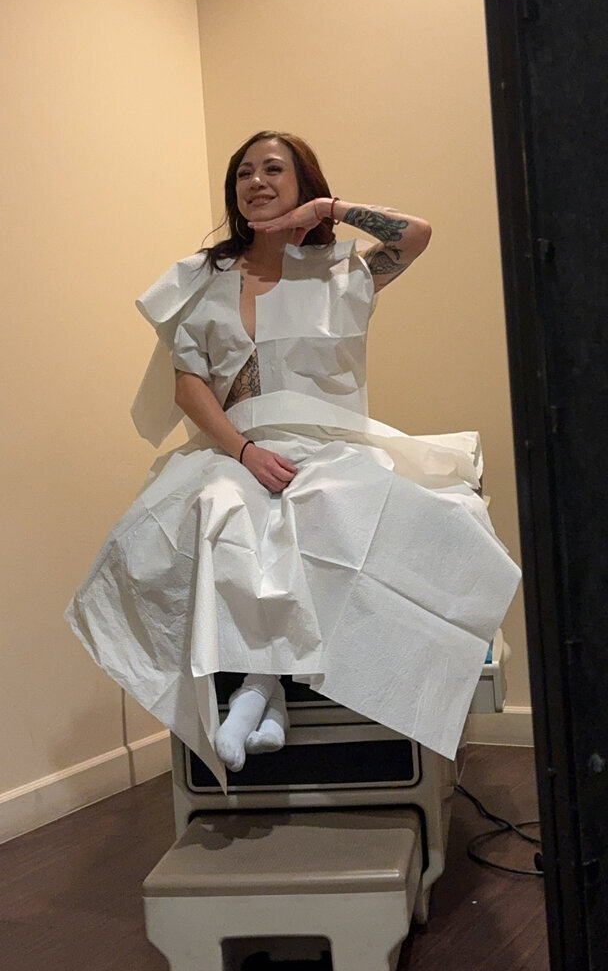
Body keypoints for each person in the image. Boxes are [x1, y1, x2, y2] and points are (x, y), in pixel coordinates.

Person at [65, 130, 521, 792]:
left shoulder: (342, 271)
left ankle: (260, 688)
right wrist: (244, 451)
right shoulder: (203, 279)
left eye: (273, 169)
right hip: (237, 445)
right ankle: (262, 692)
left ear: (302, 181)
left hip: (330, 445)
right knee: (218, 506)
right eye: (244, 172)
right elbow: (189, 384)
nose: (256, 181)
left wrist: (328, 212)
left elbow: (416, 234)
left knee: (328, 505)